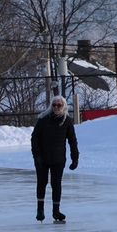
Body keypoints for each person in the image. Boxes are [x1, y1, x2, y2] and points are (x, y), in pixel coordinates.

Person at [31, 94, 79, 222]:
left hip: (58, 159)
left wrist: (75, 158)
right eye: (54, 105)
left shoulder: (67, 121)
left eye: (59, 105)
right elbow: (34, 138)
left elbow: (72, 141)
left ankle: (56, 211)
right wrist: (36, 156)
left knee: (56, 184)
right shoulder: (43, 119)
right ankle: (40, 210)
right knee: (42, 182)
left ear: (64, 107)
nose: (56, 107)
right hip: (42, 158)